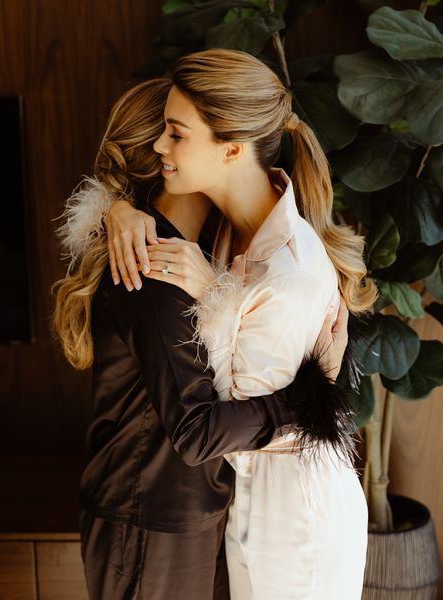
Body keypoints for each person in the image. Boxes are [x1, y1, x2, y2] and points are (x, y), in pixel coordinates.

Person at [51, 77, 353, 600]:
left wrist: (115, 207)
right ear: (160, 162)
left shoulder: (207, 248)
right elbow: (196, 432)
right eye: (166, 136)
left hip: (187, 508)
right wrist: (311, 397)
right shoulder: (152, 267)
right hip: (152, 512)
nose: (170, 147)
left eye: (179, 134)